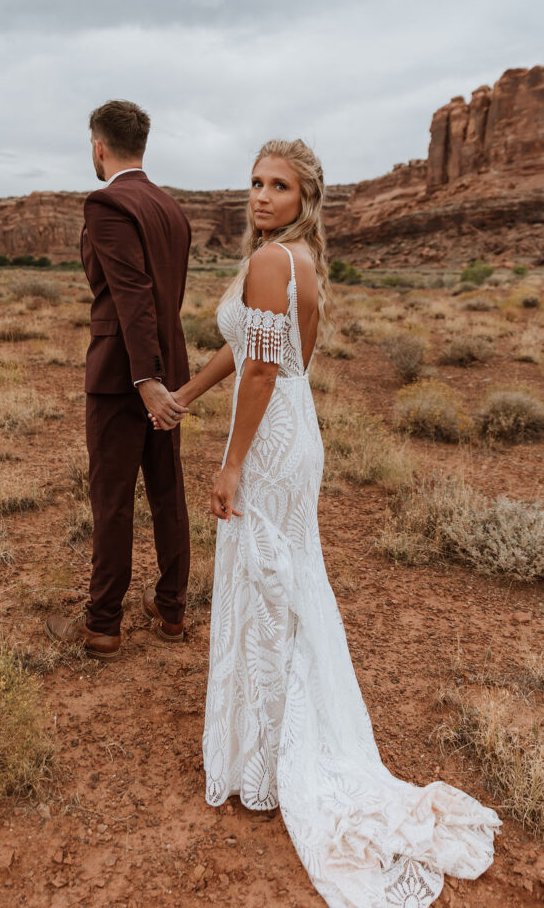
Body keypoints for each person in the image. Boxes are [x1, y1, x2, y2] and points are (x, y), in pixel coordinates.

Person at [151, 138, 501, 907]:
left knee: (265, 585)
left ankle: (270, 760)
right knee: (281, 584)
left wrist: (231, 462)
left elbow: (268, 368)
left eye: (278, 185)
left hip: (270, 442)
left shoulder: (275, 260)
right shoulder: (297, 260)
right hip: (287, 429)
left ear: (305, 196)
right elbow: (247, 352)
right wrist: (182, 396)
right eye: (254, 182)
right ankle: (265, 747)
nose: (261, 196)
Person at [45, 99, 192, 659]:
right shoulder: (172, 210)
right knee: (166, 490)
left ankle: (103, 623)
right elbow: (163, 297)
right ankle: (171, 609)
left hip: (123, 376)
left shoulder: (106, 202)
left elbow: (131, 295)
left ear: (99, 146)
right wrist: (160, 374)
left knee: (112, 498)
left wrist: (144, 378)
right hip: (165, 368)